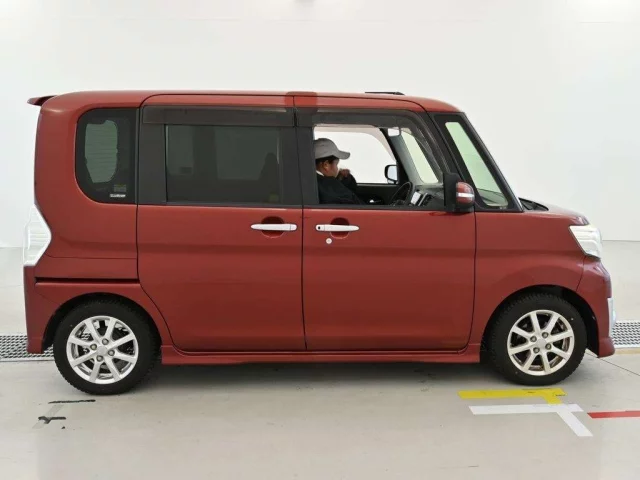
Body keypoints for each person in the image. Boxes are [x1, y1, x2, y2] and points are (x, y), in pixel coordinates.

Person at [314, 138, 363, 204]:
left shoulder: (310, 182)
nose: (337, 168)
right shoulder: (331, 185)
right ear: (326, 165)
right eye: (336, 164)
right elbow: (357, 204)